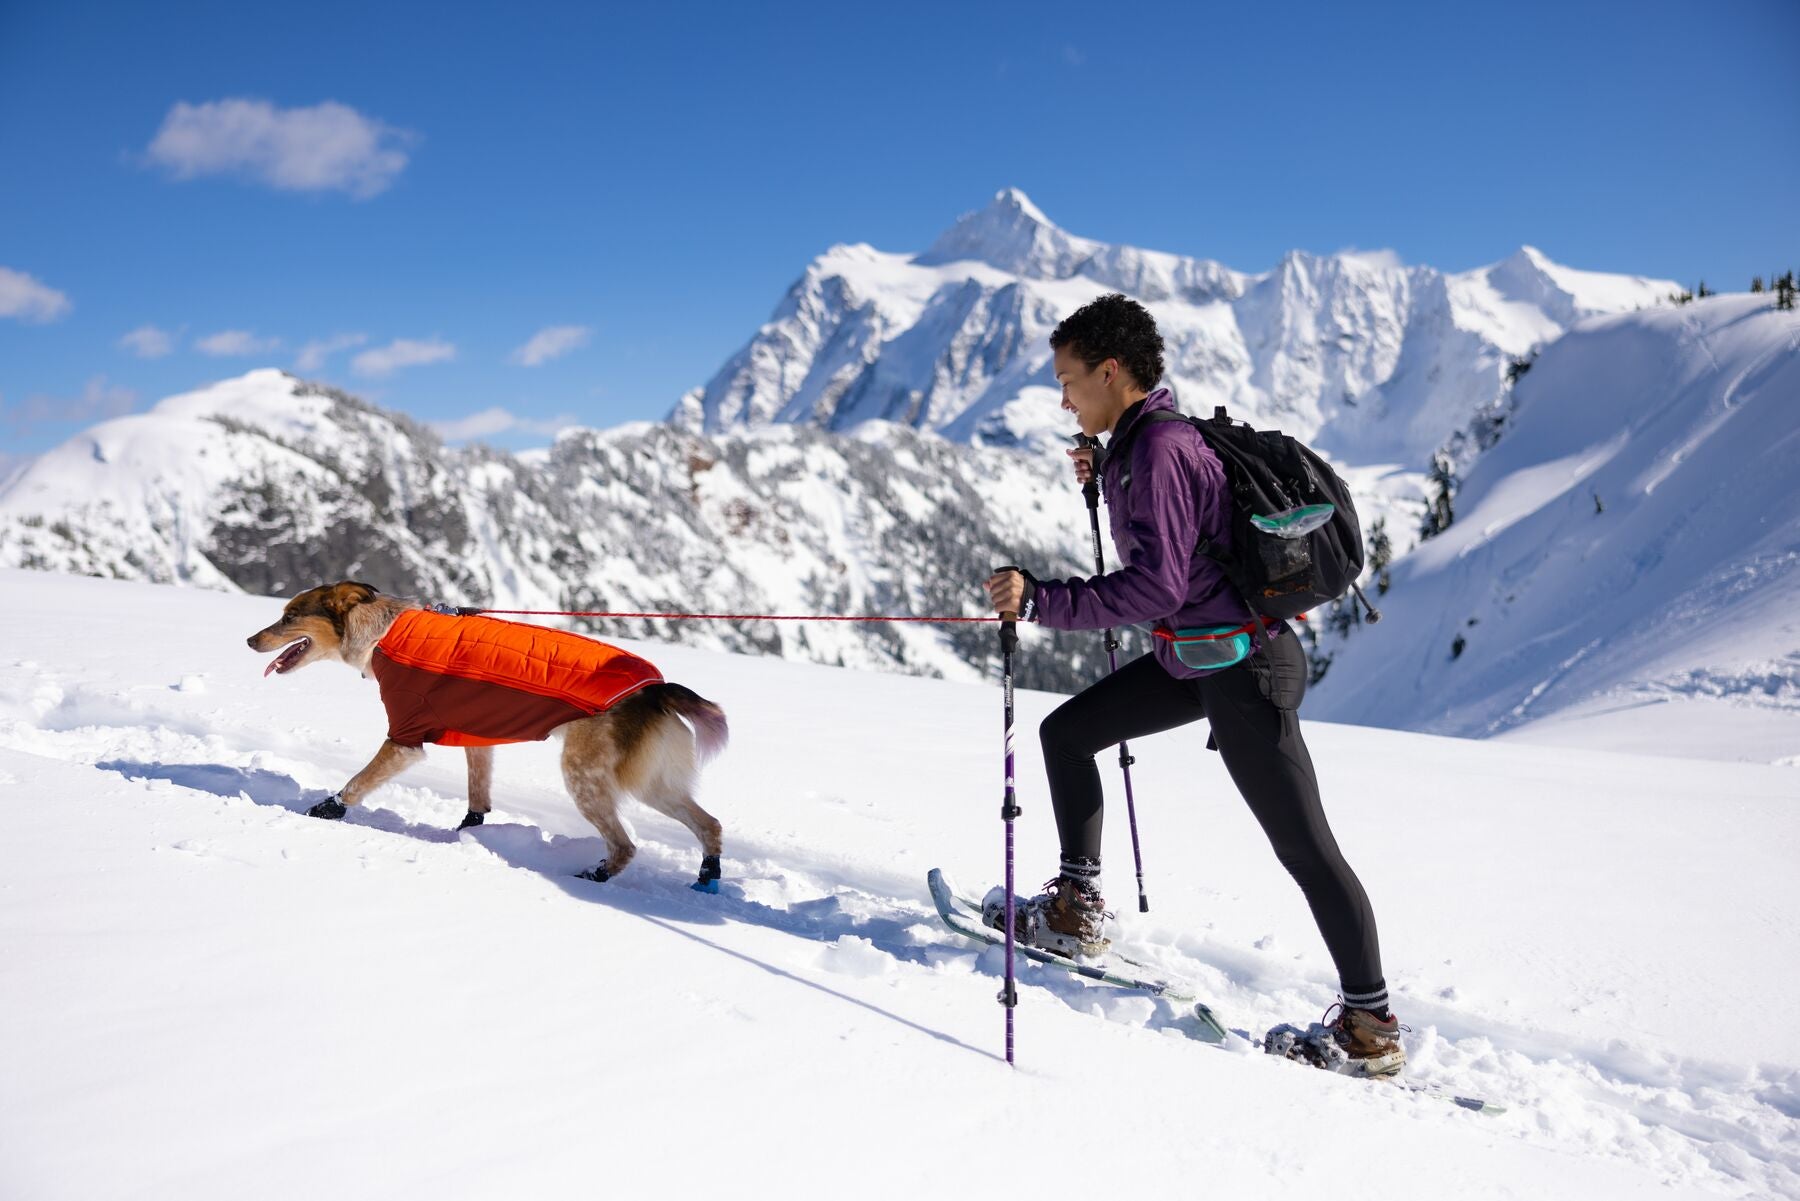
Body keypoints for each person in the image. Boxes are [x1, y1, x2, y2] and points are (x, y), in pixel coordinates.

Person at [982, 293, 1404, 1077]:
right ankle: (1076, 911)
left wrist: (1043, 598)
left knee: (1305, 847)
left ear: (1112, 372)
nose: (1063, 397)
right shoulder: (1142, 444)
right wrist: (1106, 470)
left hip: (1243, 670)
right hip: (1195, 661)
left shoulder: (1162, 450)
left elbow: (1157, 587)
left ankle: (1370, 1028)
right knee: (1066, 734)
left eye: (1070, 379)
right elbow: (1185, 544)